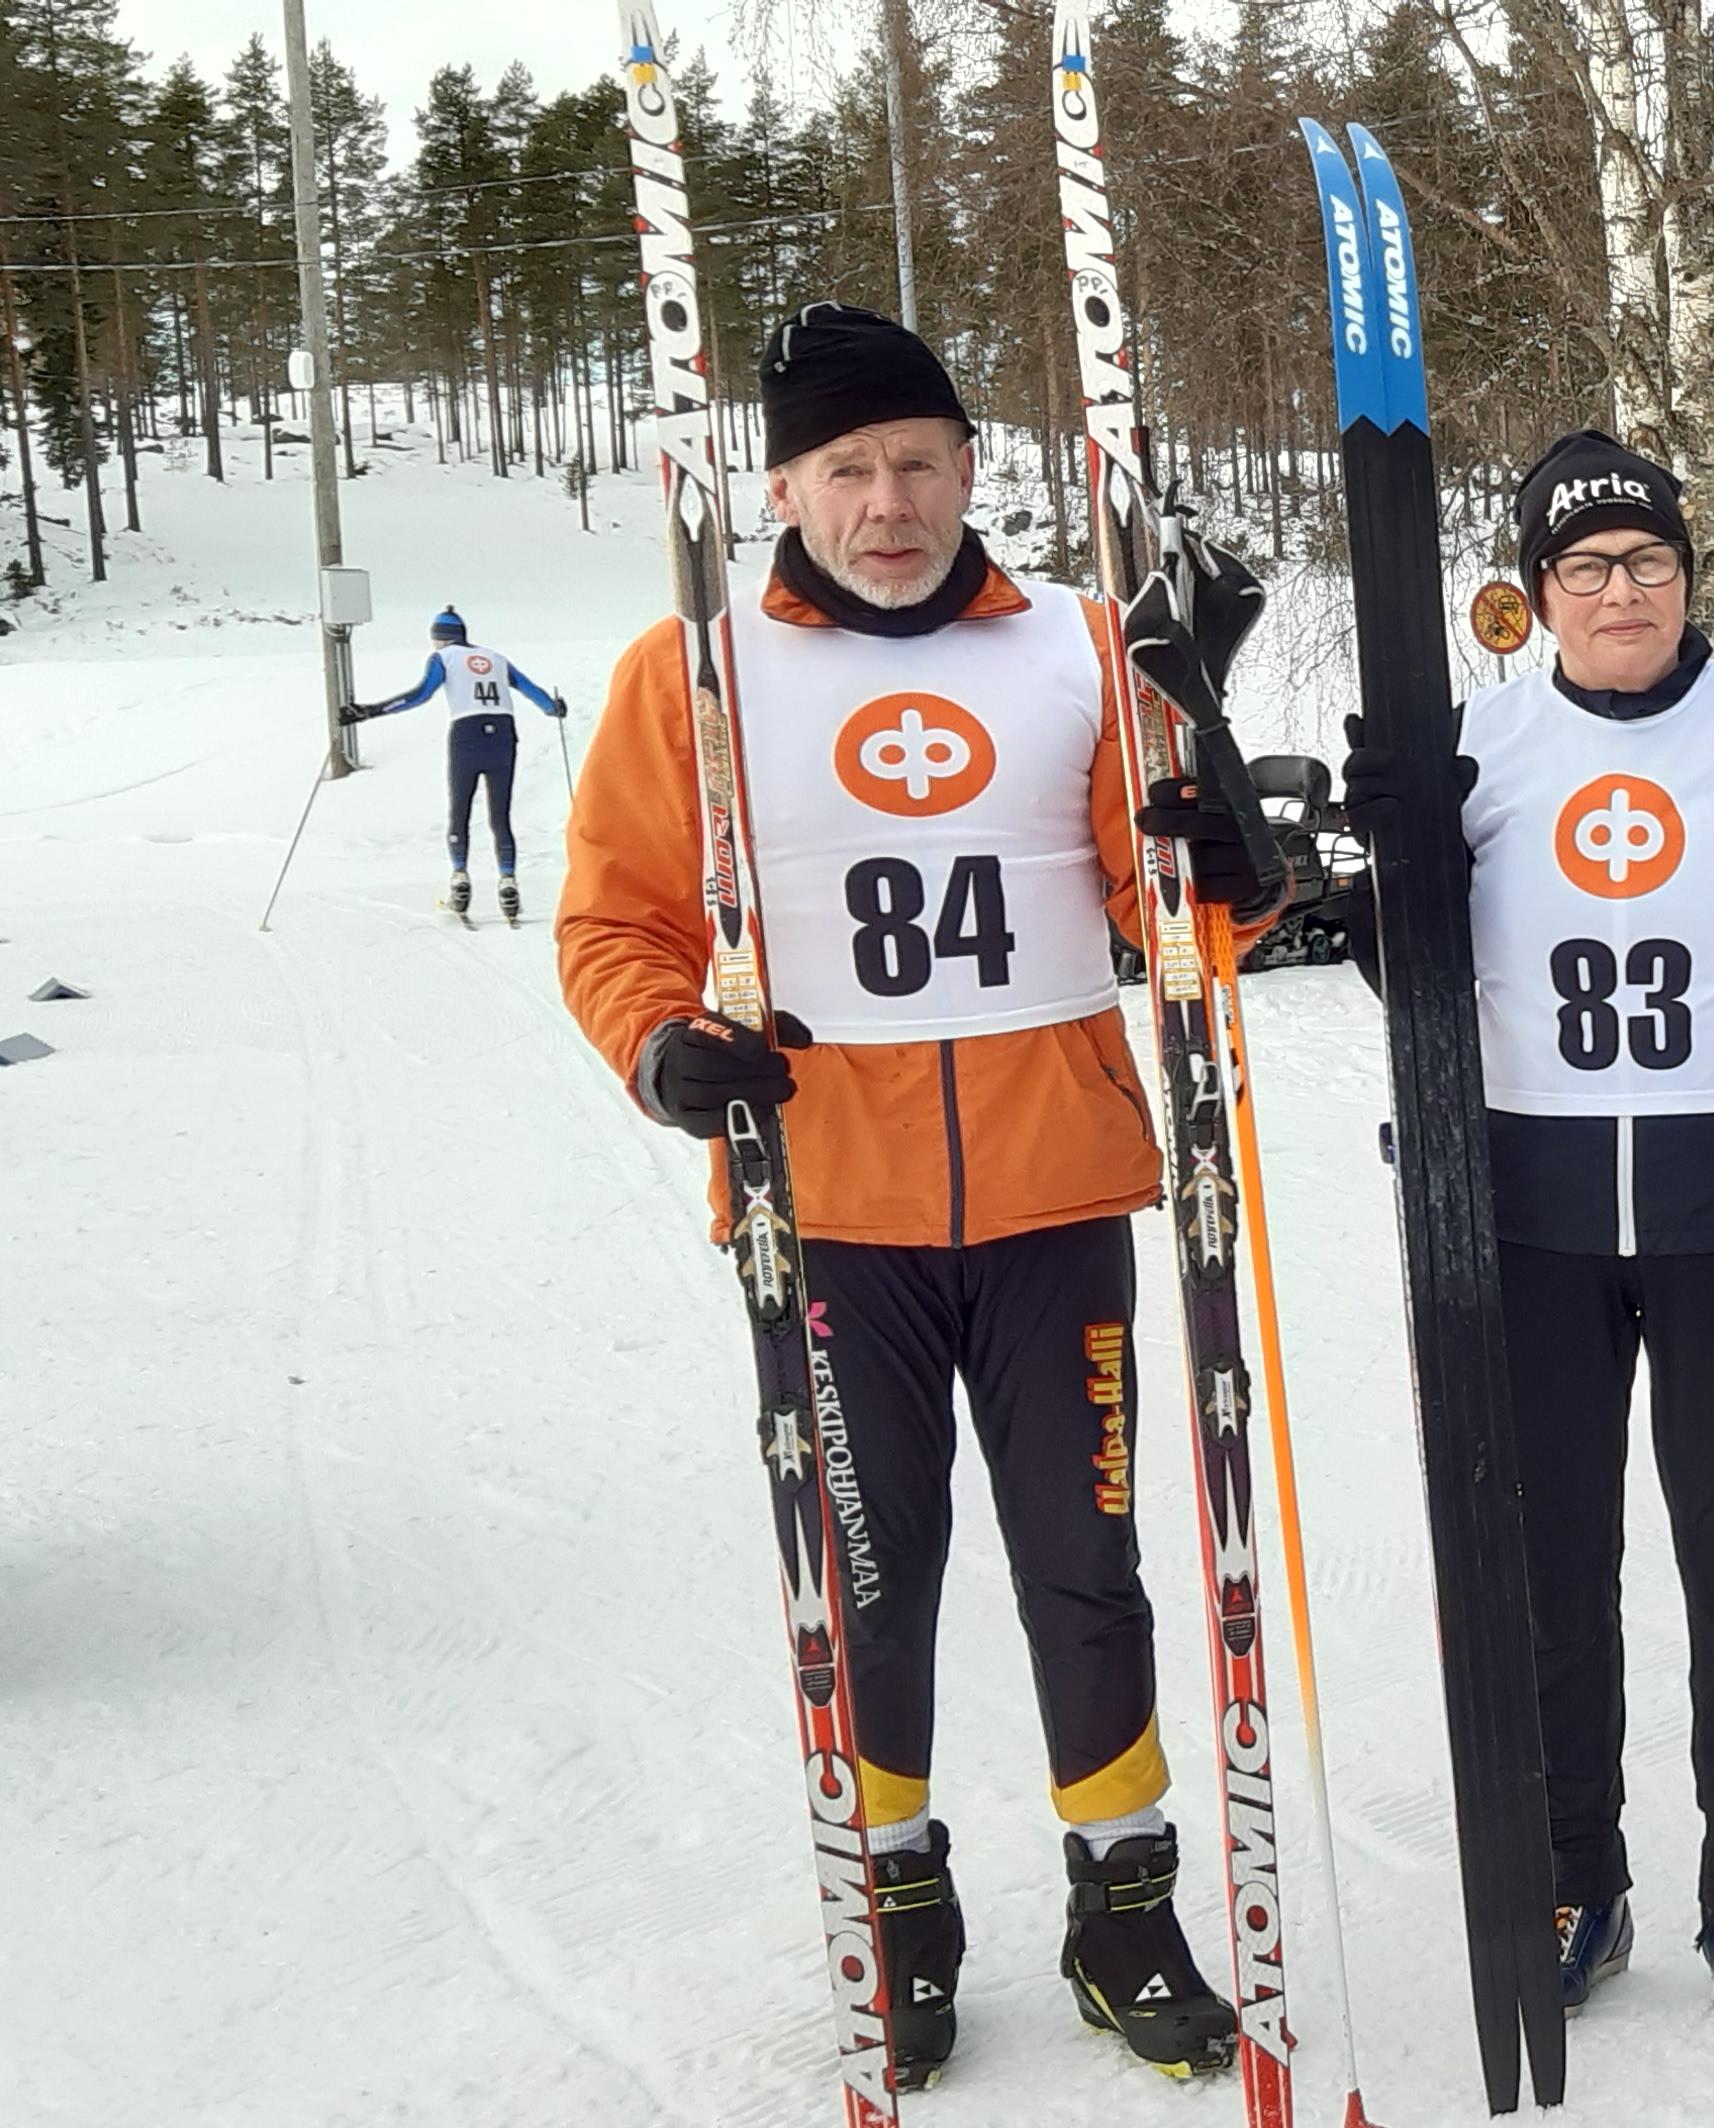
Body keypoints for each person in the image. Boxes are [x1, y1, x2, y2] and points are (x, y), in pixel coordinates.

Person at [554, 302, 1281, 2091]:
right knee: (871, 1579)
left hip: (1055, 1195)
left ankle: (1124, 1900)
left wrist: (1226, 835)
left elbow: (1184, 913)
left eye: (920, 462)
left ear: (973, 468)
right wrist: (662, 1049)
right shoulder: (697, 676)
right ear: (783, 482)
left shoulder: (1078, 645)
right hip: (830, 1211)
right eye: (849, 467)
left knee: (1083, 1567)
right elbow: (612, 921)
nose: (890, 501)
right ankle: (898, 1891)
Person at [1333, 430, 1714, 2038]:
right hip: (1529, 1211)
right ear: (1534, 598)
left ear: (1685, 576)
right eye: (1584, 570)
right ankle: (1580, 1877)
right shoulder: (1477, 746)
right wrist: (1398, 864)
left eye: (1647, 562)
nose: (1620, 593)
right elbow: (1414, 979)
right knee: (1549, 1573)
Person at [340, 607, 566, 920]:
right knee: (500, 814)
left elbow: (420, 695)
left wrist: (370, 711)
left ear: (438, 639)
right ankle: (508, 881)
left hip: (467, 734)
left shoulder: (442, 659)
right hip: (503, 734)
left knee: (459, 809)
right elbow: (531, 690)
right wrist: (553, 708)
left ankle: (459, 877)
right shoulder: (496, 658)